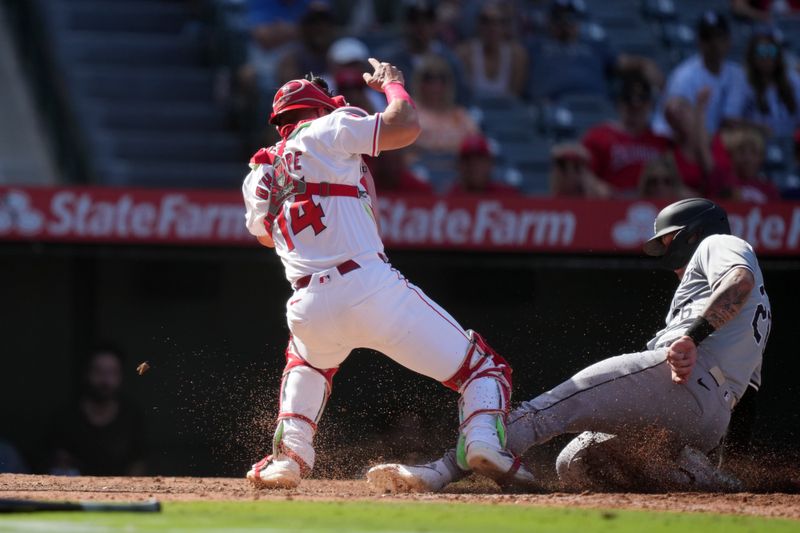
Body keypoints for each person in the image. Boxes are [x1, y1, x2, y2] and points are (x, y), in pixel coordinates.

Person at [241, 59, 533, 489]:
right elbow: (405, 126)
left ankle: (288, 458)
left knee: (307, 362)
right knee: (482, 369)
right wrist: (393, 86)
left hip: (306, 300)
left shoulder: (260, 173)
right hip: (367, 284)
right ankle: (484, 440)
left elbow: (265, 237)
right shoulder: (334, 124)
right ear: (318, 109)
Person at [368, 198, 771, 493]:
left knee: (560, 404)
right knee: (576, 463)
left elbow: (739, 280)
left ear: (693, 232)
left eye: (667, 242)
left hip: (682, 381)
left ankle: (440, 471)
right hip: (709, 414)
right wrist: (727, 458)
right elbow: (749, 400)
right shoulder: (759, 317)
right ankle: (710, 480)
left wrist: (691, 336)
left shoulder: (718, 244)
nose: (667, 254)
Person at [526, 0, 662, 102]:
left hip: (594, 105)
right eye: (559, 18)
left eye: (569, 18)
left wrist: (645, 65)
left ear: (578, 21)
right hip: (552, 104)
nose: (564, 23)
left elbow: (626, 63)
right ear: (549, 21)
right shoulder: (536, 45)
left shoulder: (594, 45)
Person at [47, 346, 147, 476]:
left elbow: (138, 463)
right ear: (86, 374)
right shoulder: (66, 417)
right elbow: (57, 463)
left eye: (112, 372)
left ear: (121, 376)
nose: (105, 380)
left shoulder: (132, 416)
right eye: (98, 372)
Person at [652, 11, 746, 137]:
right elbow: (679, 125)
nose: (714, 43)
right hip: (675, 140)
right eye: (708, 38)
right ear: (699, 42)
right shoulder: (684, 76)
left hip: (711, 142)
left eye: (719, 36)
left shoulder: (737, 75)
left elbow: (731, 121)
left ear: (729, 40)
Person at [581, 70, 671, 194]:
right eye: (629, 104)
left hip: (655, 206)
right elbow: (584, 173)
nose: (635, 110)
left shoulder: (662, 142)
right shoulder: (598, 137)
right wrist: (599, 187)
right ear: (619, 103)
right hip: (613, 205)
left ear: (649, 105)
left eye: (641, 104)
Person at [728, 30, 800, 138]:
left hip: (791, 145)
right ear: (752, 55)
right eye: (761, 51)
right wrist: (757, 128)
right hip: (756, 145)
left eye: (771, 51)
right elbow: (729, 120)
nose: (767, 56)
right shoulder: (742, 81)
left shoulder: (793, 80)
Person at [455, 2, 528, 100]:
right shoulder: (464, 54)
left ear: (505, 26)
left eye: (498, 22)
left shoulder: (517, 56)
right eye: (486, 21)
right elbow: (464, 96)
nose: (492, 27)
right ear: (478, 24)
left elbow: (514, 97)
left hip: (506, 112)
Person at [411, 55, 480, 154]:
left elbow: (475, 142)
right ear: (419, 82)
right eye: (429, 79)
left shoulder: (459, 114)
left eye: (441, 80)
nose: (435, 86)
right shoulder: (410, 111)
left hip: (456, 167)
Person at [723, 126, 782, 203]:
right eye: (741, 151)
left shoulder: (770, 189)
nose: (748, 159)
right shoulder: (722, 183)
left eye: (754, 152)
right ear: (731, 154)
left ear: (761, 157)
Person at [447, 134, 520, 196]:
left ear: (490, 164)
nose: (474, 166)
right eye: (468, 161)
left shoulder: (507, 195)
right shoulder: (449, 197)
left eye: (480, 161)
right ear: (459, 165)